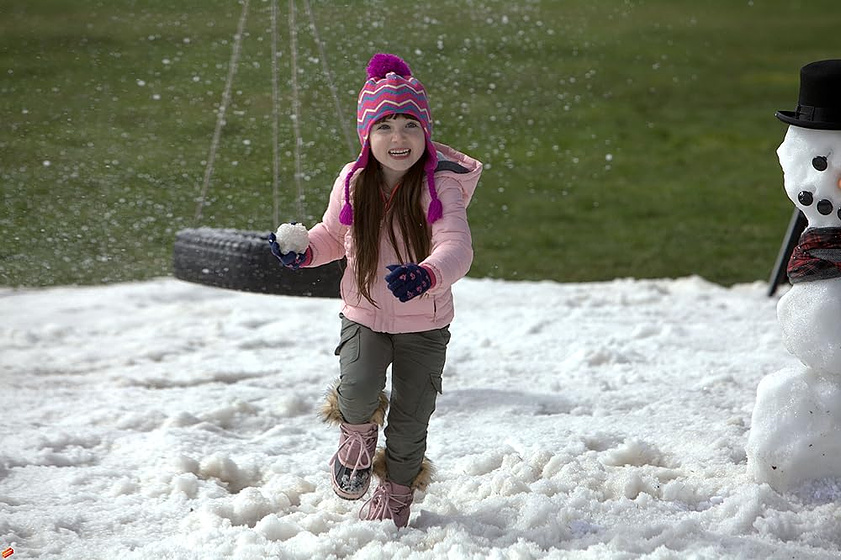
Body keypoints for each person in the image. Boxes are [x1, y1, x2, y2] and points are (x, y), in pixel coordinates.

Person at [267, 53, 482, 527]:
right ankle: (357, 436)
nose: (398, 138)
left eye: (410, 124)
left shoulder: (440, 188)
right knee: (358, 388)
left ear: (425, 132)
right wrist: (303, 251)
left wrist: (427, 273)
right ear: (368, 135)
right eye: (384, 126)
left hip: (424, 324)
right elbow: (332, 236)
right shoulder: (353, 181)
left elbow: (457, 246)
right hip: (363, 313)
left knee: (410, 419)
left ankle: (397, 492)